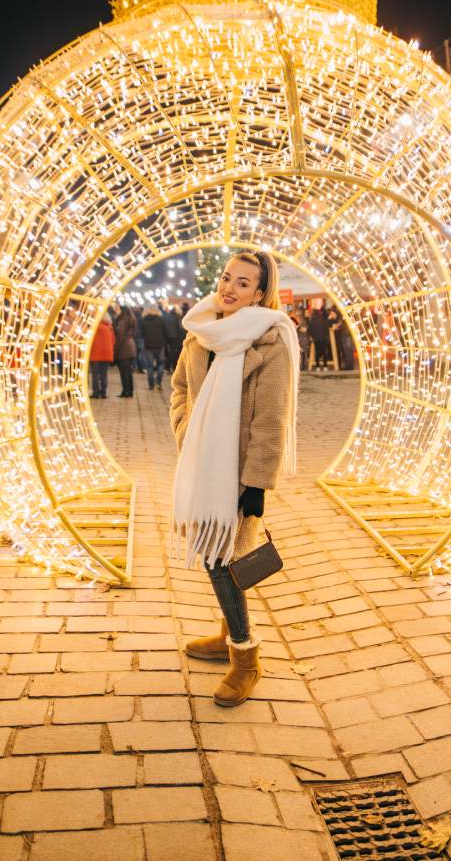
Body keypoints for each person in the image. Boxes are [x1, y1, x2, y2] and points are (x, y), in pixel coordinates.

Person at [170, 250, 299, 708]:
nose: (229, 288)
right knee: (215, 553)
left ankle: (246, 659)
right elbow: (180, 389)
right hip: (201, 464)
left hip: (239, 472)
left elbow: (270, 422)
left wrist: (256, 487)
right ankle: (230, 635)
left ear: (261, 293)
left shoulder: (270, 341)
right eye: (227, 277)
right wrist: (186, 429)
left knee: (219, 559)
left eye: (243, 283)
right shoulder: (200, 332)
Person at [113, 303, 137, 398]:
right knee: (128, 371)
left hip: (124, 349)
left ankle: (125, 391)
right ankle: (129, 391)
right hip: (130, 347)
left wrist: (116, 349)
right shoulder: (131, 318)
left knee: (124, 371)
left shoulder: (122, 320)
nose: (116, 310)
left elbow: (120, 336)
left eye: (117, 308)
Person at [142, 305, 168, 390]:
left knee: (150, 366)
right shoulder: (161, 320)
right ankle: (158, 381)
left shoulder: (144, 320)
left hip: (148, 345)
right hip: (160, 345)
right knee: (160, 364)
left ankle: (151, 384)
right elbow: (165, 332)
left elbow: (142, 333)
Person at [90, 312, 114, 399]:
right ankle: (104, 393)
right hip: (106, 354)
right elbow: (113, 341)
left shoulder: (94, 327)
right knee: (104, 374)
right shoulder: (109, 327)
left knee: (95, 375)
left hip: (95, 354)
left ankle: (96, 393)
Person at [162, 302, 185, 372]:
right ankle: (169, 366)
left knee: (170, 352)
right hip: (176, 337)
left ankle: (169, 366)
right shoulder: (178, 317)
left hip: (167, 337)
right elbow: (180, 328)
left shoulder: (167, 316)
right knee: (174, 352)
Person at [308, 305, 330, 370]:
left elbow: (309, 330)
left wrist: (312, 336)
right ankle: (325, 366)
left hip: (316, 339)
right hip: (323, 338)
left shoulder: (311, 321)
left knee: (317, 352)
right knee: (324, 352)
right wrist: (326, 336)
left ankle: (317, 367)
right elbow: (326, 329)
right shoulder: (323, 320)